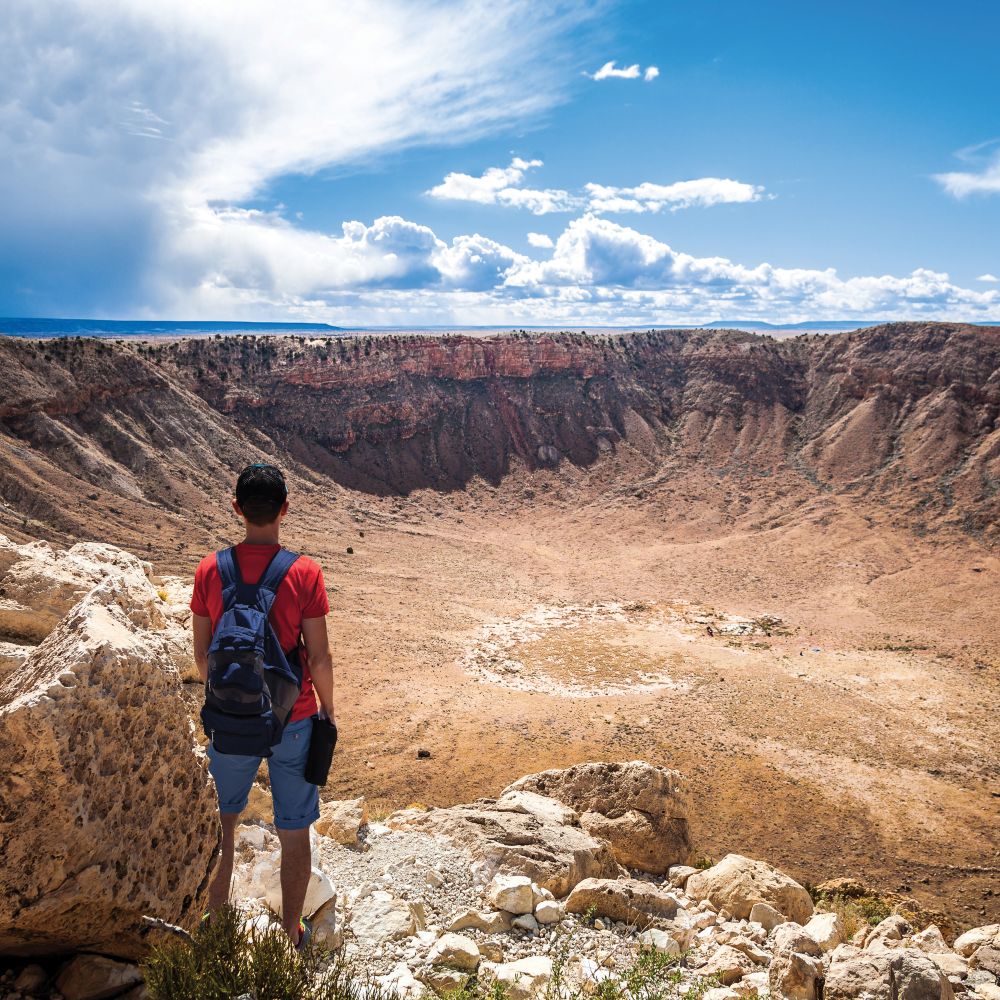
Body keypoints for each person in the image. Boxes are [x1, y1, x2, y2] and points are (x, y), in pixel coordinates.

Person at [190, 463, 335, 947]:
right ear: (285, 510)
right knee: (294, 830)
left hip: (230, 720)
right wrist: (326, 712)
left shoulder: (211, 568)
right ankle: (291, 932)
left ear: (236, 509)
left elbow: (202, 652)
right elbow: (318, 655)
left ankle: (212, 929)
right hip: (292, 719)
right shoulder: (305, 572)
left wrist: (229, 698)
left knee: (223, 822)